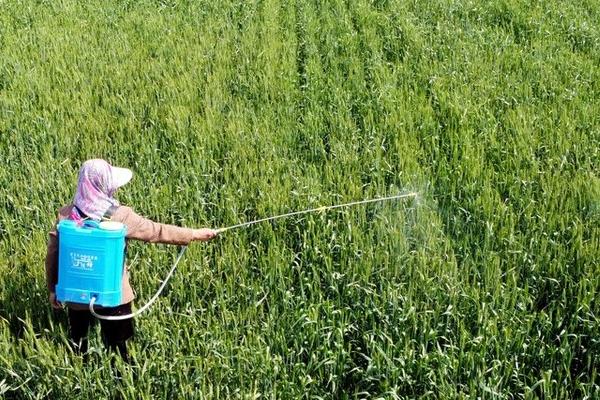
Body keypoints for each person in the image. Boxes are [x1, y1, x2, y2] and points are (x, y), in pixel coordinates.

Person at [45, 159, 217, 362]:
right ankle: (123, 379)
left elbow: (52, 255)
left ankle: (81, 372)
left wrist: (53, 289)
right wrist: (194, 234)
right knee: (121, 348)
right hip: (114, 297)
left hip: (77, 297)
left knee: (78, 343)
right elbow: (157, 231)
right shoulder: (120, 216)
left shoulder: (66, 216)